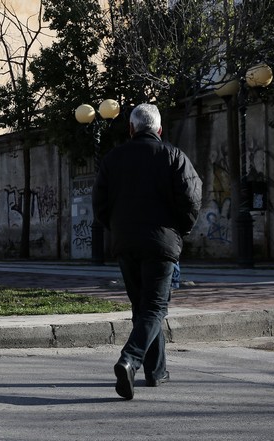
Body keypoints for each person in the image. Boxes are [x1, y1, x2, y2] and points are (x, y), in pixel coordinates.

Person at [92, 103, 202, 400]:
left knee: (143, 309)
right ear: (159, 130)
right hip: (161, 244)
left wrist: (117, 228)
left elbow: (99, 204)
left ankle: (156, 372)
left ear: (131, 129)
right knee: (155, 308)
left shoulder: (112, 159)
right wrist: (180, 230)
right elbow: (192, 199)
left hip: (126, 243)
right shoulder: (173, 156)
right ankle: (130, 360)